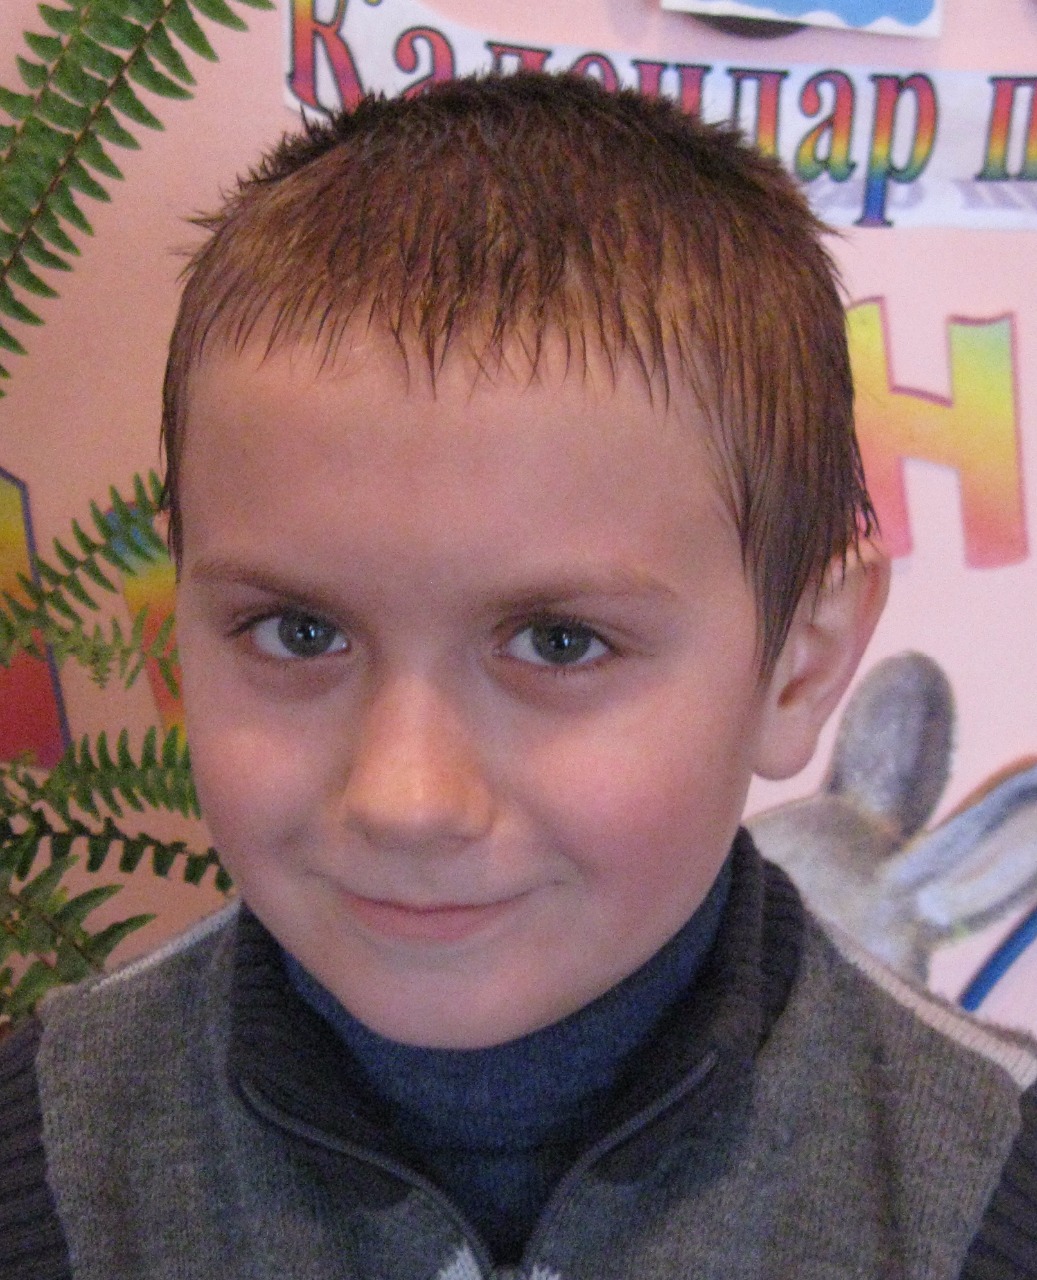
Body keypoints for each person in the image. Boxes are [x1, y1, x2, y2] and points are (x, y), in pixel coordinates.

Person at [2, 72, 1034, 1279]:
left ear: (797, 669)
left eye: (557, 642)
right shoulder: (46, 1172)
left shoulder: (987, 1194)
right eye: (297, 631)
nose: (404, 797)